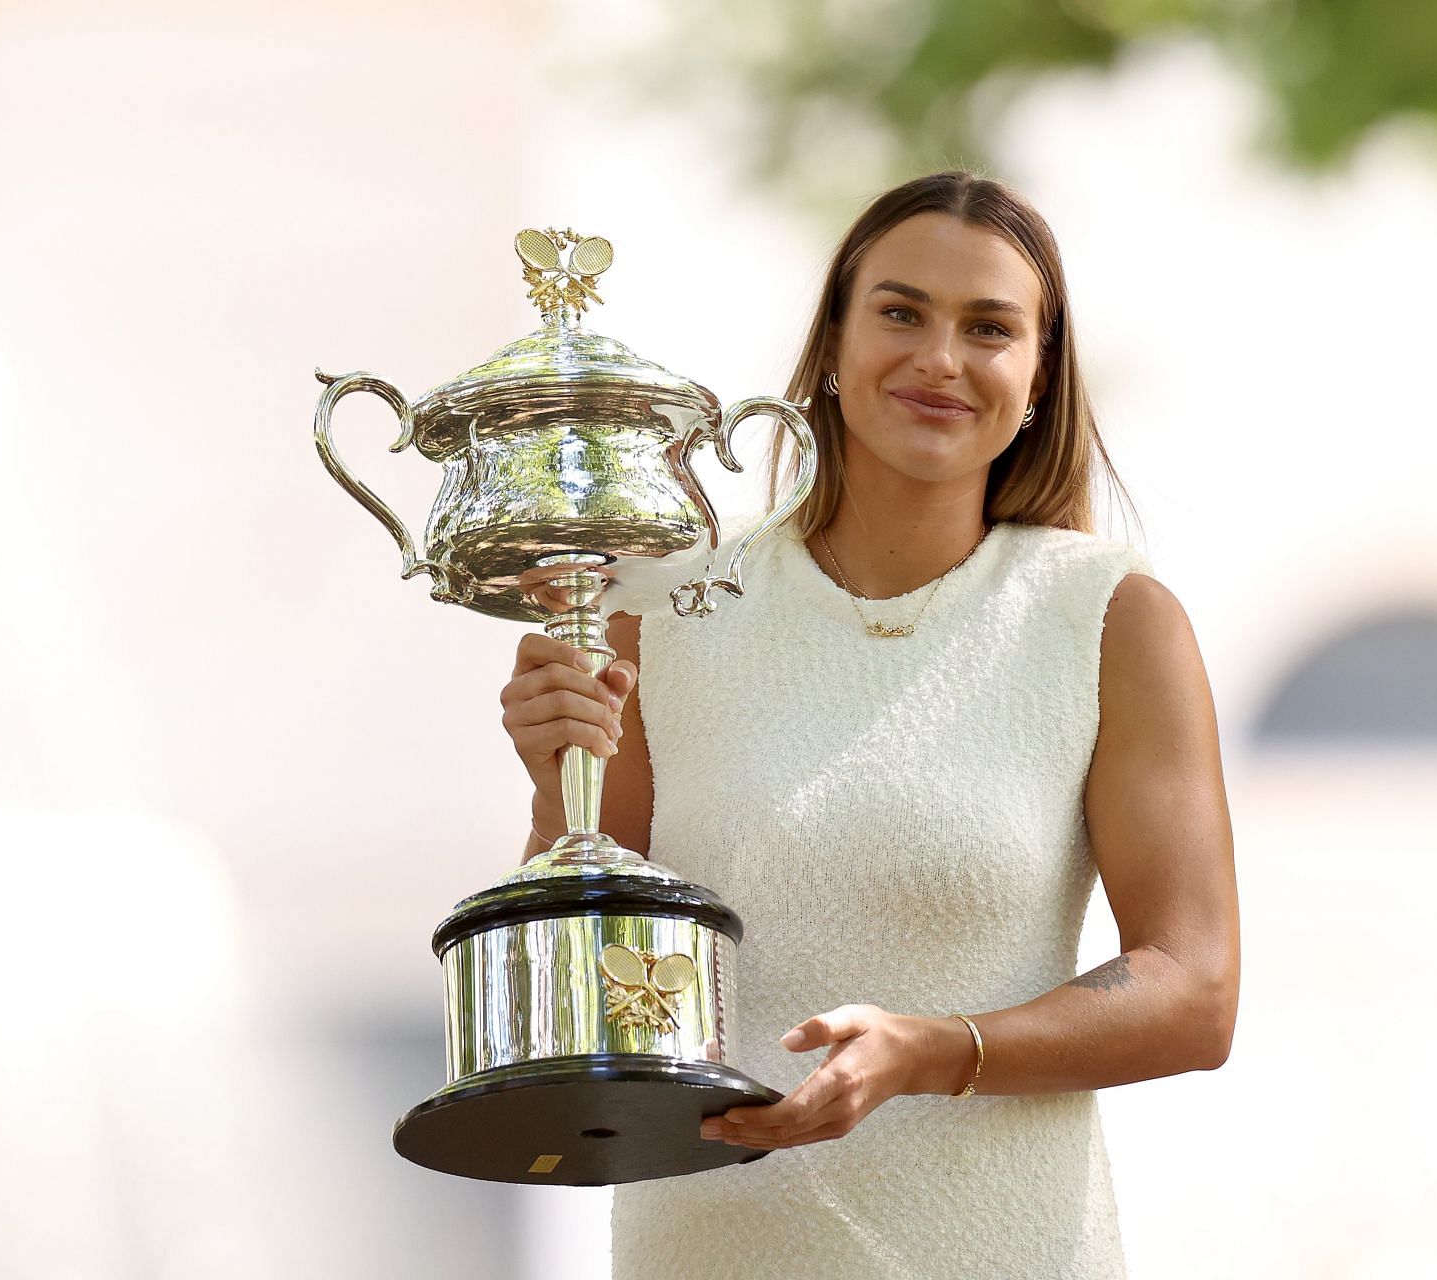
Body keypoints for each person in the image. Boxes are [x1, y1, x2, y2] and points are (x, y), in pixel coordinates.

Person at [498, 170, 1239, 1279]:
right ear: (834, 347)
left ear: (1037, 378)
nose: (941, 358)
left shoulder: (1109, 620)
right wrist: (559, 783)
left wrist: (936, 1050)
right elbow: (579, 989)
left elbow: (1195, 990)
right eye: (901, 312)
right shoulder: (663, 602)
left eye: (989, 328)